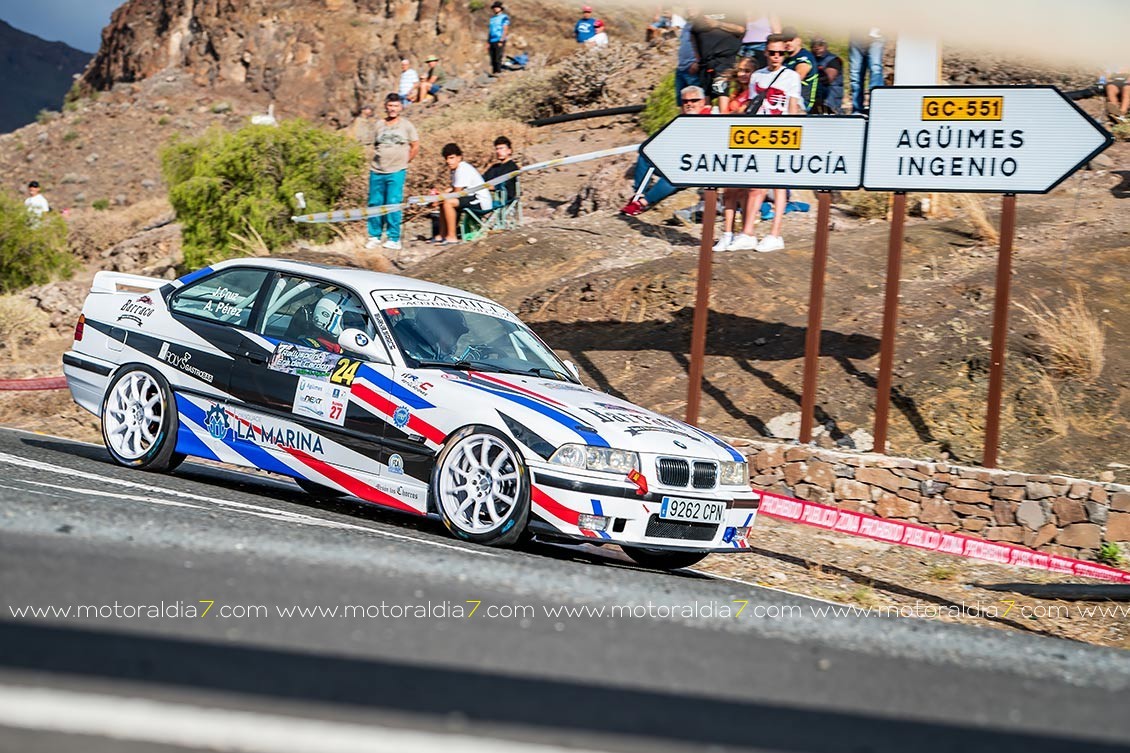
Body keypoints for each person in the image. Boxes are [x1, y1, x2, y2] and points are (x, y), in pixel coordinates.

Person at [725, 34, 801, 253]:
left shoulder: (791, 77)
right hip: (759, 132)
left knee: (778, 185)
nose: (776, 57)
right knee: (755, 185)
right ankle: (747, 232)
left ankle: (775, 233)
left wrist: (793, 134)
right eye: (772, 52)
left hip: (782, 133)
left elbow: (793, 106)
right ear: (766, 52)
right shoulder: (757, 76)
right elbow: (753, 104)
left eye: (780, 53)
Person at [620, 86, 713, 216]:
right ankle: (639, 194)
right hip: (678, 160)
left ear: (702, 102)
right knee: (645, 157)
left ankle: (642, 203)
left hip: (696, 167)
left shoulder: (712, 120)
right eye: (685, 101)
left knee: (674, 176)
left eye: (694, 100)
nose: (689, 104)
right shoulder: (680, 121)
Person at [367, 93, 419, 252]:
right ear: (385, 106)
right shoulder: (379, 125)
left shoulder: (407, 125)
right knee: (375, 203)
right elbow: (374, 144)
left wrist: (404, 162)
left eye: (395, 106)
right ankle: (374, 236)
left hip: (396, 171)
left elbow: (415, 146)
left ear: (401, 107)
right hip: (377, 170)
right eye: (390, 105)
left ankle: (393, 238)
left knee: (393, 203)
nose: (392, 109)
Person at [432, 143, 492, 244]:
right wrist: (440, 195)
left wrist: (438, 200)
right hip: (470, 197)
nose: (449, 161)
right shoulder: (455, 170)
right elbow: (454, 188)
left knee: (447, 202)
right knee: (443, 201)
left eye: (452, 158)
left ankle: (452, 236)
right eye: (447, 159)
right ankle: (442, 234)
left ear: (459, 158)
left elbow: (457, 193)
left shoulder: (462, 169)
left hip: (480, 201)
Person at [688, 10, 743, 108]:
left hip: (724, 60)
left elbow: (740, 29)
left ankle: (723, 118)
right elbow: (693, 34)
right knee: (706, 98)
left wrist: (718, 24)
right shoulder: (702, 11)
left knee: (721, 91)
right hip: (705, 62)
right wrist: (697, 58)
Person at [782, 26, 817, 112]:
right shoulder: (786, 60)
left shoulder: (805, 57)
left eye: (791, 40)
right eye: (785, 41)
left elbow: (795, 79)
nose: (788, 43)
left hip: (801, 102)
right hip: (785, 97)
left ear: (798, 41)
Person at [849, 28, 884, 114]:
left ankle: (876, 107)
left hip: (876, 36)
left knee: (875, 70)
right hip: (857, 36)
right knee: (855, 75)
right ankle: (857, 109)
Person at [482, 136, 520, 205]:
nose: (498, 151)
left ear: (509, 150)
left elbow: (503, 186)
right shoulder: (494, 167)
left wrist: (485, 187)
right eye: (497, 149)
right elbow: (482, 179)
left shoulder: (512, 167)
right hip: (489, 196)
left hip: (503, 199)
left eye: (501, 148)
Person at [811, 37, 843, 114]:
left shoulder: (833, 60)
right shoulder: (809, 59)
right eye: (814, 45)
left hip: (830, 103)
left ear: (825, 46)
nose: (817, 47)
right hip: (814, 102)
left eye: (820, 45)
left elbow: (827, 79)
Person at [674, 11, 700, 106]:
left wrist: (698, 62)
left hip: (692, 68)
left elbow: (706, 45)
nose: (689, 9)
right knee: (681, 101)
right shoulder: (686, 25)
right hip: (681, 68)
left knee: (695, 100)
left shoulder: (701, 25)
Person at [488, 2, 510, 75]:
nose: (495, 9)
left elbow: (505, 29)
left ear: (500, 9)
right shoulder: (492, 18)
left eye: (497, 7)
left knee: (498, 56)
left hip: (499, 39)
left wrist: (501, 40)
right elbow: (490, 30)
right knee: (492, 57)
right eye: (494, 8)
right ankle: (494, 72)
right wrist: (488, 41)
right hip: (492, 40)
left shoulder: (504, 17)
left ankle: (498, 72)